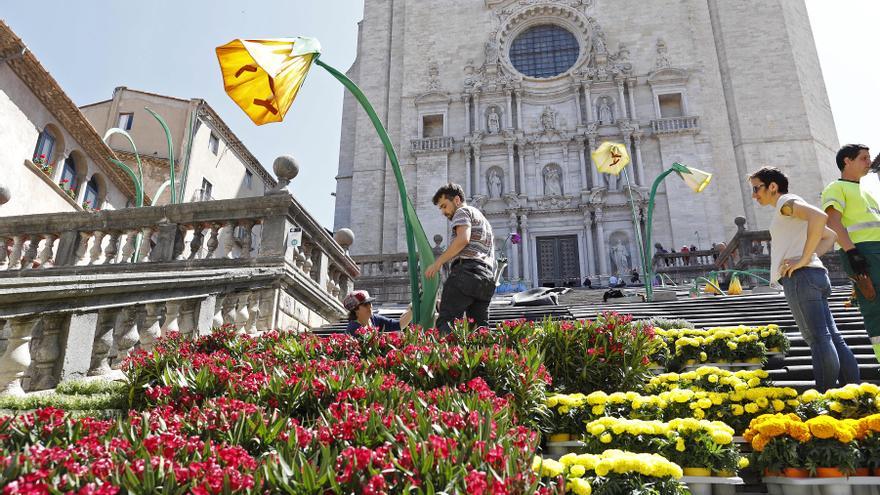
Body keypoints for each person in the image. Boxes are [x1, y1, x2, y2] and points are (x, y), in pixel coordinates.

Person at [750, 166, 859, 391]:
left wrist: (802, 259)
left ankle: (823, 397)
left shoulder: (784, 203)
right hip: (816, 275)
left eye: (756, 188)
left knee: (818, 339)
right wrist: (808, 257)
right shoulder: (790, 206)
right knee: (832, 337)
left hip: (801, 277)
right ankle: (852, 392)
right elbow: (831, 236)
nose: (754, 195)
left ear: (773, 186)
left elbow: (820, 217)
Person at [822, 144, 880, 365]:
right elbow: (833, 222)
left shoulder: (867, 191)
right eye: (864, 158)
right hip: (861, 252)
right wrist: (852, 252)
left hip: (875, 249)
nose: (869, 162)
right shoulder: (836, 188)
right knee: (875, 306)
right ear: (847, 161)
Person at [426, 183, 496, 334]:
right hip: (486, 278)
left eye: (444, 206)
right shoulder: (484, 221)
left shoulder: (462, 211)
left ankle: (448, 357)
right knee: (479, 330)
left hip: (466, 272)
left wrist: (438, 262)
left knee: (446, 324)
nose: (443, 212)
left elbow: (463, 239)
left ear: (457, 200)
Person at [344, 289, 412, 336]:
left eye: (370, 303)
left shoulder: (374, 319)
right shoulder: (353, 329)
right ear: (356, 309)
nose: (370, 306)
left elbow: (399, 325)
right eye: (365, 305)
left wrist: (412, 308)